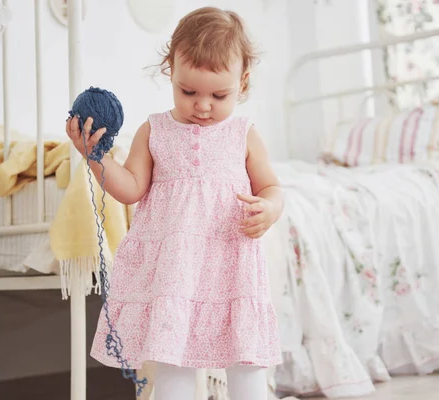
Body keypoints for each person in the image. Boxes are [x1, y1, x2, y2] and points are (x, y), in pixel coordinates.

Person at [65, 6, 283, 400]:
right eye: (189, 92)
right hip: (174, 272)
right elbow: (130, 188)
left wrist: (268, 210)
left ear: (243, 81)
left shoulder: (243, 133)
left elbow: (271, 188)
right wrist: (95, 157)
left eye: (219, 95)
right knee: (172, 365)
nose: (202, 106)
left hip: (230, 265)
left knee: (247, 362)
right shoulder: (154, 130)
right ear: (171, 71)